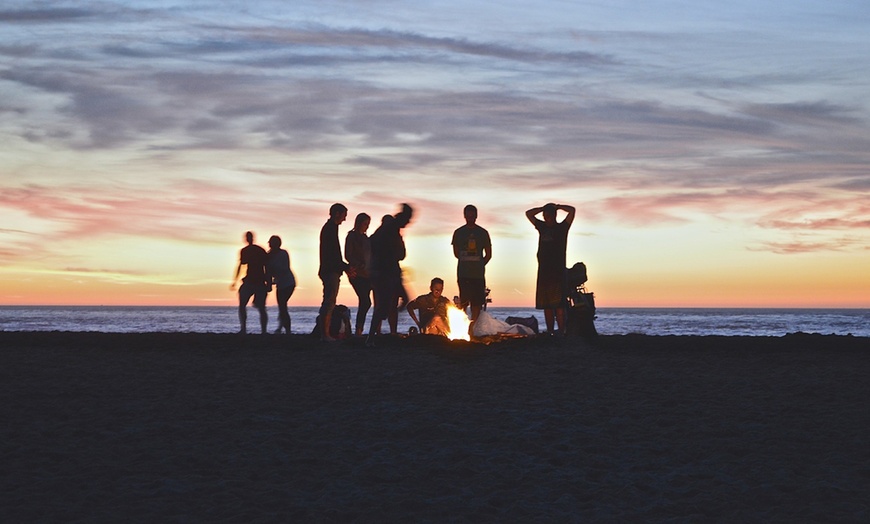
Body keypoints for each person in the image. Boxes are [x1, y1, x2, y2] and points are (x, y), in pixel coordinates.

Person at [367, 203, 413, 346]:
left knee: (402, 300)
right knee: (384, 306)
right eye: (409, 219)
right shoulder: (390, 229)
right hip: (385, 272)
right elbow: (399, 253)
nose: (409, 222)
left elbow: (400, 254)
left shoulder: (392, 229)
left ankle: (377, 332)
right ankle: (372, 336)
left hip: (390, 271)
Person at [526, 203, 576, 335]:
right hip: (544, 271)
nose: (545, 218)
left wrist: (558, 206)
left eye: (548, 215)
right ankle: (550, 331)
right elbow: (529, 214)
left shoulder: (562, 228)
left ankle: (561, 331)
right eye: (545, 215)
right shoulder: (542, 227)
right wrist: (542, 208)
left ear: (554, 215)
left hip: (558, 271)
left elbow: (572, 211)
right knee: (546, 305)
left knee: (559, 305)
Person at [319, 203, 354, 342]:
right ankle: (325, 335)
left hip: (330, 269)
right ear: (337, 213)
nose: (344, 219)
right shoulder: (330, 229)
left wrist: (343, 267)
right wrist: (345, 267)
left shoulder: (330, 228)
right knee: (329, 302)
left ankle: (325, 334)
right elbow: (333, 254)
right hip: (330, 270)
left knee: (329, 301)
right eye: (344, 215)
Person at [451, 204, 492, 323]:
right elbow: (456, 253)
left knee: (477, 303)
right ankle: (463, 326)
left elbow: (488, 255)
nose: (470, 217)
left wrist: (479, 264)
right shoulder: (458, 232)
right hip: (463, 273)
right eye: (468, 214)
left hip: (478, 275)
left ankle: (473, 328)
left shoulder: (483, 233)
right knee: (463, 302)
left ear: (476, 216)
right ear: (464, 215)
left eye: (472, 215)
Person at [231, 231, 269, 335]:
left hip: (258, 281)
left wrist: (268, 282)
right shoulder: (249, 250)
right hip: (252, 281)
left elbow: (267, 266)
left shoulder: (256, 250)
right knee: (245, 305)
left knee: (260, 307)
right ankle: (245, 329)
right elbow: (241, 265)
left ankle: (261, 331)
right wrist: (235, 280)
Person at [345, 213, 372, 336]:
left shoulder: (367, 239)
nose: (366, 226)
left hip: (368, 274)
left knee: (365, 301)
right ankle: (358, 330)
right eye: (365, 223)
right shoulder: (352, 236)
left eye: (368, 224)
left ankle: (360, 330)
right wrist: (357, 264)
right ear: (359, 223)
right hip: (357, 273)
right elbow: (348, 254)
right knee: (365, 301)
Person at [266, 235, 296, 334]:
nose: (269, 244)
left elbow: (284, 268)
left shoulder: (283, 254)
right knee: (282, 306)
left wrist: (272, 281)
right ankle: (281, 328)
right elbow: (268, 271)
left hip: (288, 283)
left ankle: (287, 330)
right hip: (281, 283)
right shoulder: (269, 256)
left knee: (282, 306)